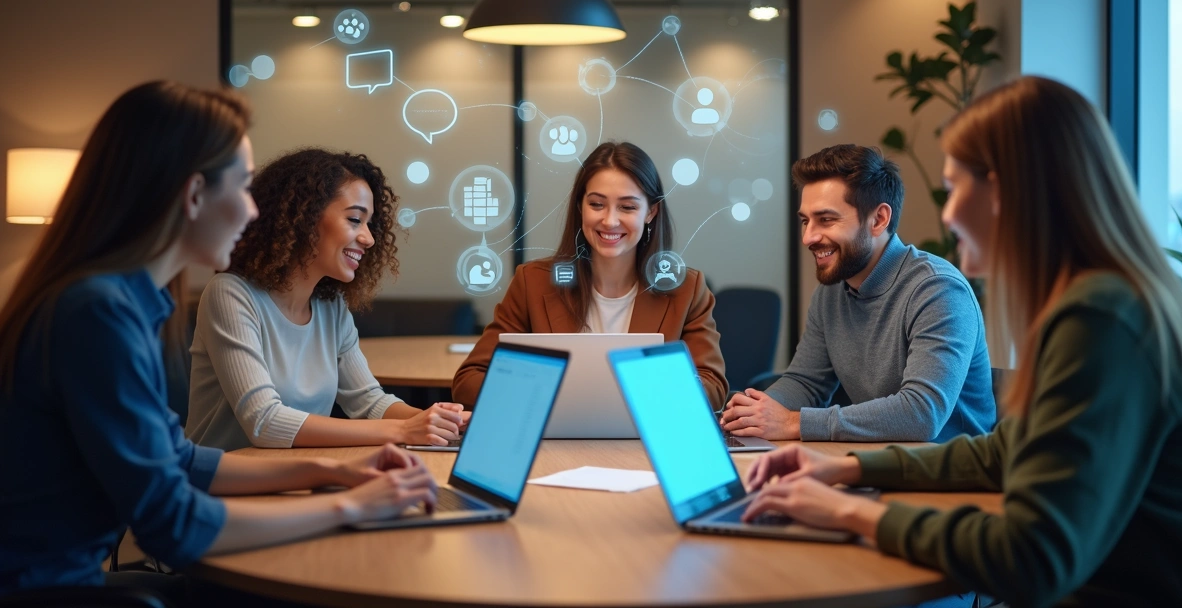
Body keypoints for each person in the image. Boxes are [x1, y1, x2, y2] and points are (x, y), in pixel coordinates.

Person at [741, 77, 1182, 606]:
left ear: (1008, 190)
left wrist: (851, 511)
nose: (945, 215)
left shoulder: (1100, 317)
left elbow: (1032, 558)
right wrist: (849, 468)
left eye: (953, 188)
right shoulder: (1101, 299)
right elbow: (1006, 452)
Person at [0, 82, 437, 599]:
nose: (254, 211)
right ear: (193, 194)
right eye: (242, 186)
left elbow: (178, 459)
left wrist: (335, 472)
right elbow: (174, 526)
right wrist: (351, 506)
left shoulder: (121, 300)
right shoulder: (97, 312)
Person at [186, 148, 465, 451]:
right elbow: (265, 422)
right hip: (218, 488)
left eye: (370, 224)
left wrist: (437, 422)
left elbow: (368, 401)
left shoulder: (331, 307)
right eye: (356, 219)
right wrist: (404, 430)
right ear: (302, 217)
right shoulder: (230, 294)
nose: (369, 238)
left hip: (296, 477)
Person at [721, 144, 994, 442]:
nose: (808, 237)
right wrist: (754, 413)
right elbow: (806, 383)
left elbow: (921, 413)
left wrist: (792, 422)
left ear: (878, 220)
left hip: (949, 475)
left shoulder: (938, 290)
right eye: (805, 221)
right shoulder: (832, 292)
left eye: (826, 220)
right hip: (879, 462)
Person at [452, 141, 728, 409]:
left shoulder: (687, 289)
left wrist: (640, 390)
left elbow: (713, 388)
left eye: (627, 207)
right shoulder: (532, 282)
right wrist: (544, 391)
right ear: (580, 206)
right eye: (597, 204)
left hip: (643, 447)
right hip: (556, 448)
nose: (609, 220)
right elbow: (468, 382)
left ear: (651, 212)